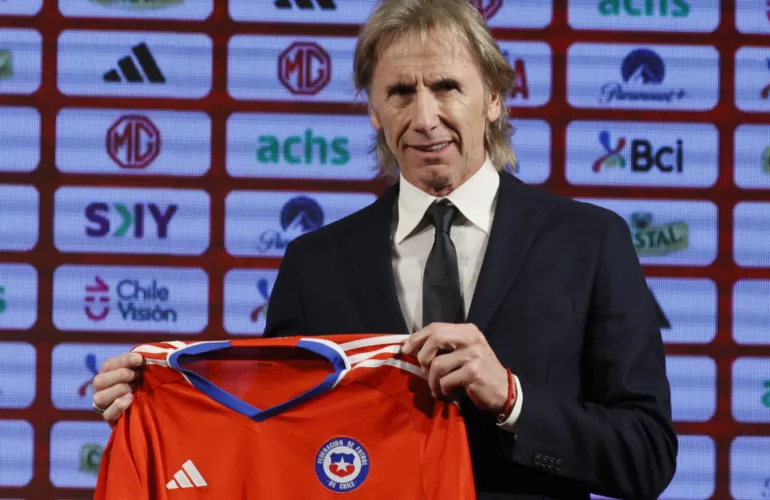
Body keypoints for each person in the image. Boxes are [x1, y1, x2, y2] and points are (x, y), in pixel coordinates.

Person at [91, 0, 678, 498]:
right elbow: (268, 440)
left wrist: (512, 399)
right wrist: (156, 409)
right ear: (373, 111)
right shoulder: (314, 264)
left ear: (495, 97)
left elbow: (647, 456)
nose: (425, 118)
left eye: (447, 87)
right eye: (400, 93)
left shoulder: (590, 242)